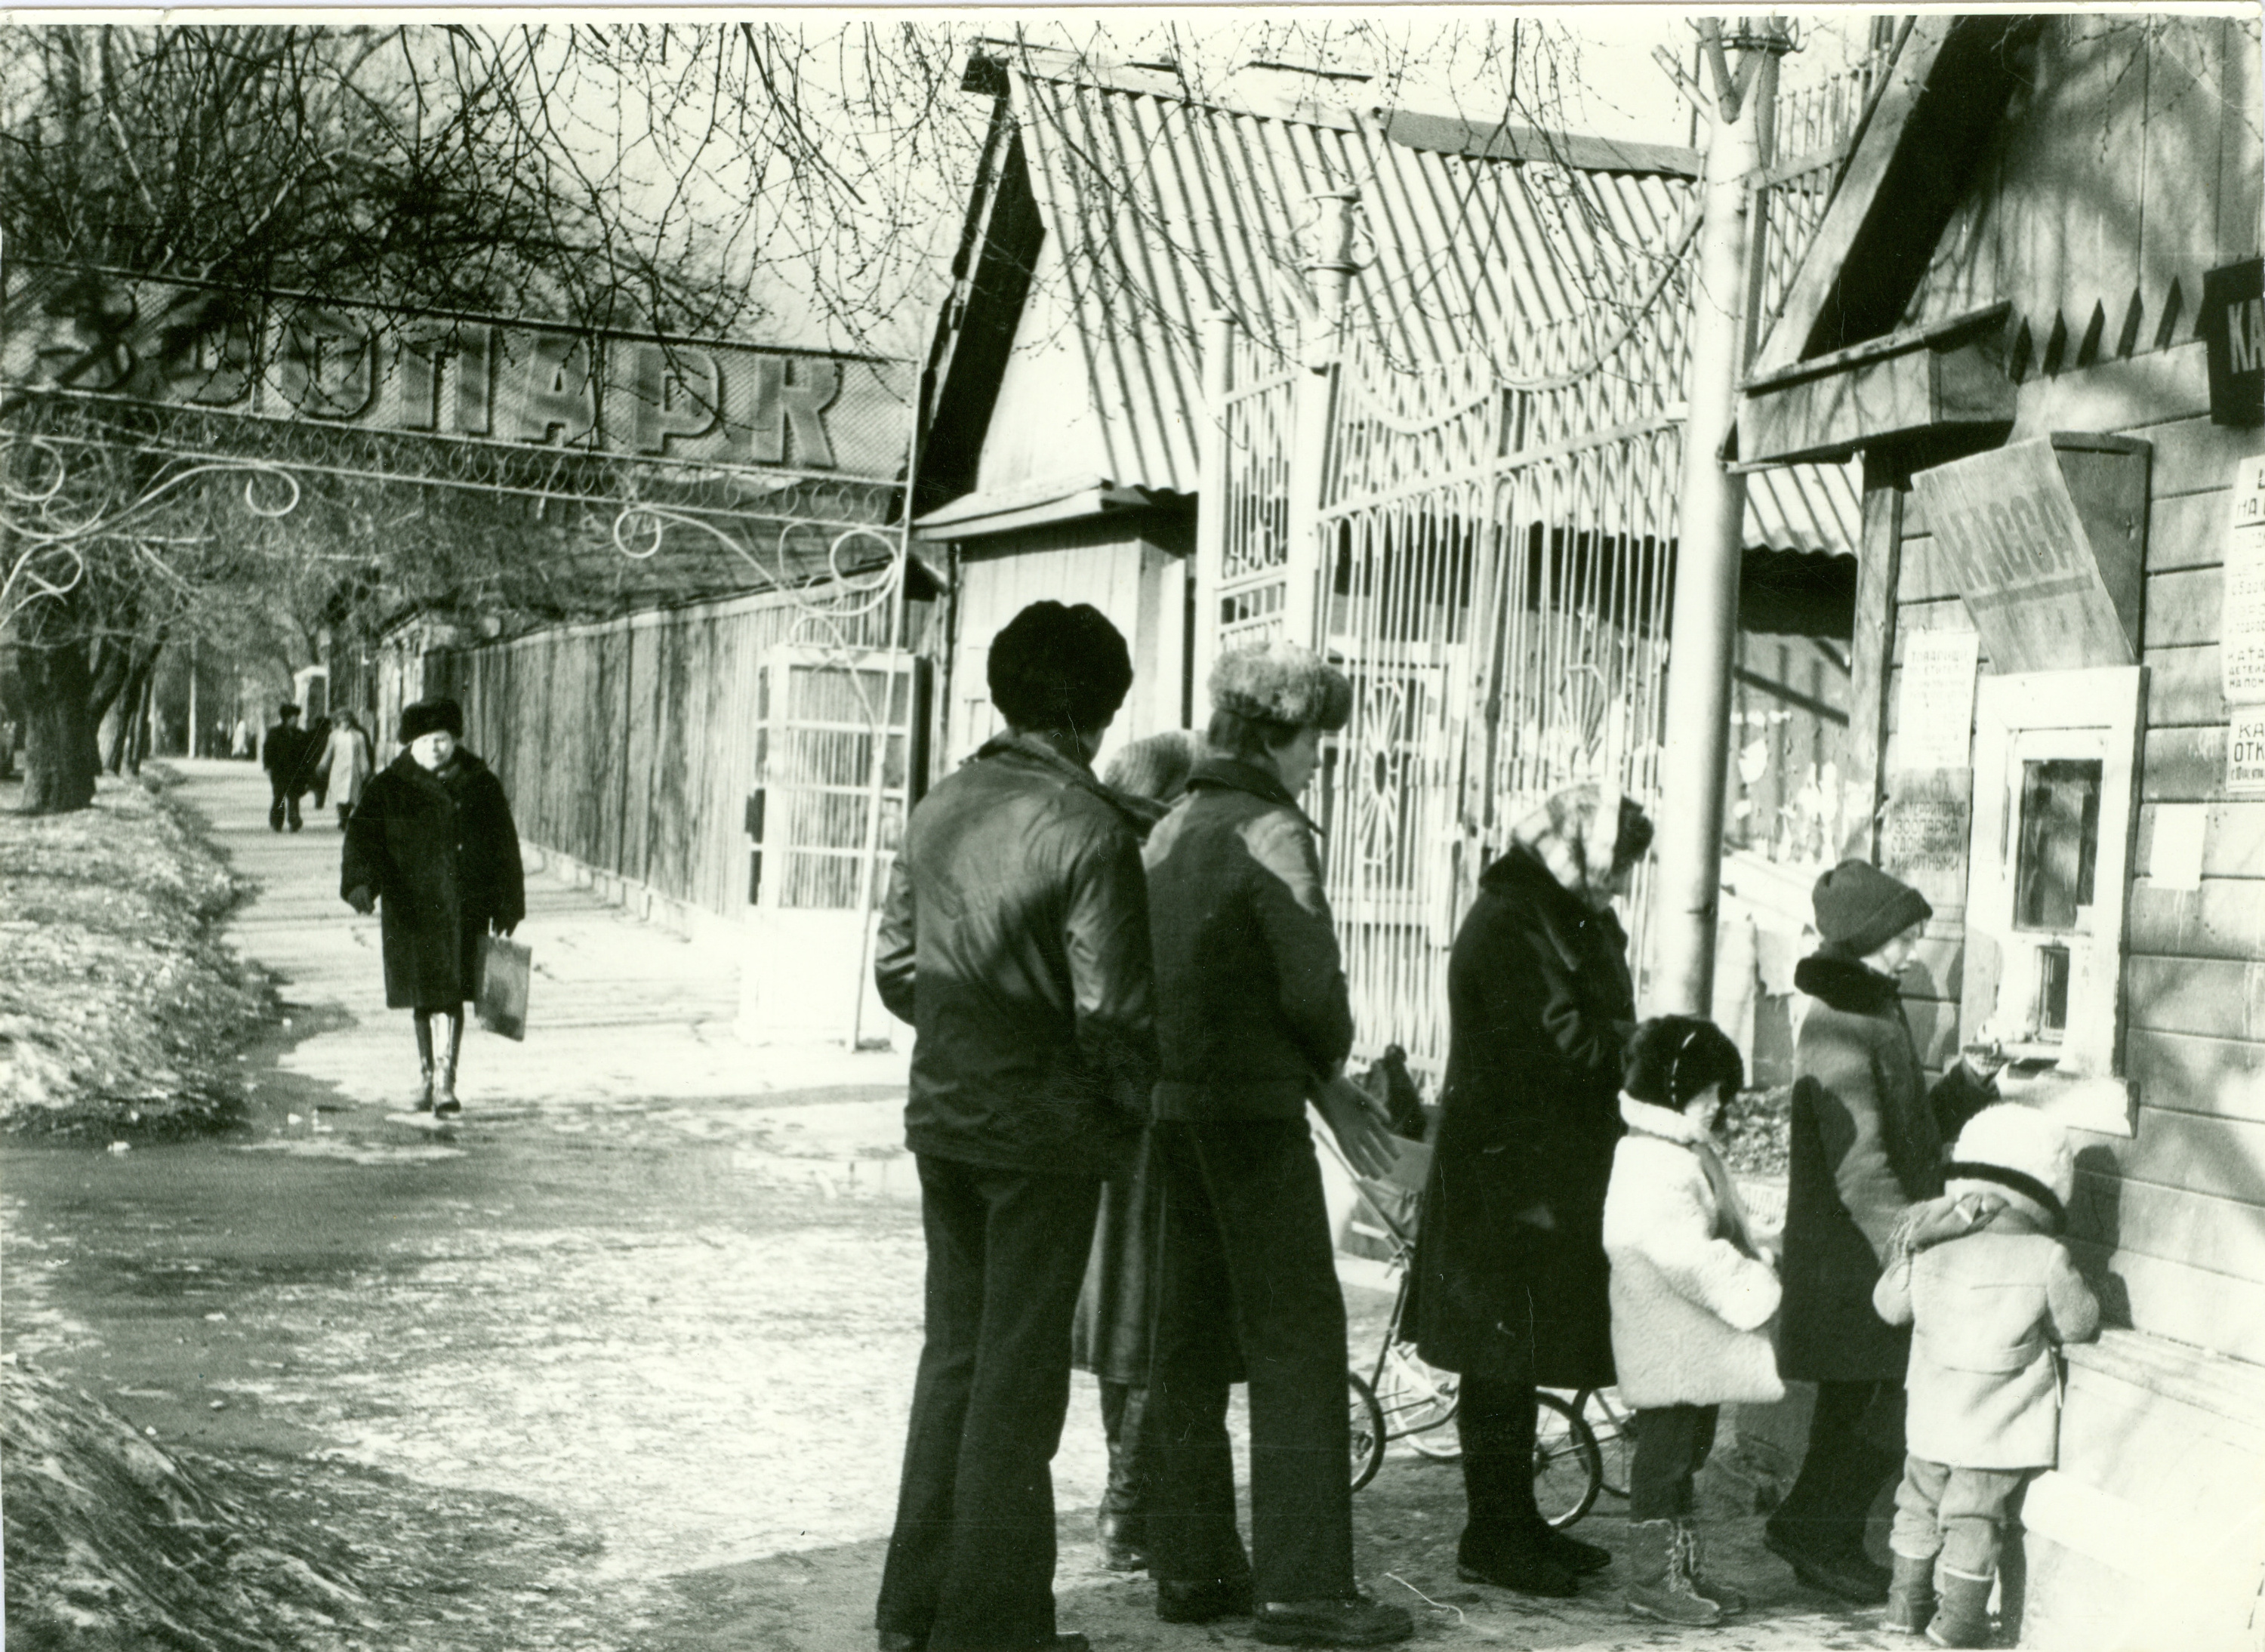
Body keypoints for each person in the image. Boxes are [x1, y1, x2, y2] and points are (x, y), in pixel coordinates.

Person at [871, 602, 1160, 1652]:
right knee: (1018, 1380)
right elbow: (1116, 1016)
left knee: (955, 1360)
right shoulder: (1090, 829)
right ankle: (993, 1633)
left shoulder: (942, 803)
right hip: (1041, 1135)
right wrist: (1123, 1114)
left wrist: (970, 1032)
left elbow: (899, 971)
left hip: (945, 1119)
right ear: (1092, 713)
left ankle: (915, 1617)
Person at [1141, 641, 1413, 1650]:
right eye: (1313, 746)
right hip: (1255, 1115)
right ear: (1273, 735)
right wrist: (1330, 1065)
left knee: (1189, 1343)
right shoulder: (1272, 830)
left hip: (1175, 1115)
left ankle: (1194, 1566)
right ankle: (1305, 1591)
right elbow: (1313, 995)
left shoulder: (1172, 825)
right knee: (1300, 1344)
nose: (1316, 764)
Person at [1409, 781, 1653, 1598]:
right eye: (1616, 865)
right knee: (1499, 1355)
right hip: (1502, 1179)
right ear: (1575, 849)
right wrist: (1645, 1050)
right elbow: (1559, 1042)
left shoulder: (1553, 911)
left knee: (1512, 1355)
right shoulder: (1515, 920)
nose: (1619, 884)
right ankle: (1493, 1535)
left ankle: (1514, 1523)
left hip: (1534, 1169)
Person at [1767, 861, 1998, 1603]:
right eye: (1903, 938)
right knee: (1872, 1406)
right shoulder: (1838, 1021)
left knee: (1857, 1407)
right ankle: (1814, 1530)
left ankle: (1814, 1529)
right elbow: (1860, 1162)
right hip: (1857, 1258)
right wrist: (1913, 1240)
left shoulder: (1872, 1007)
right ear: (1867, 939)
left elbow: (1909, 1129)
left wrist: (1970, 1080)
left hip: (1872, 1252)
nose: (1913, 951)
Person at [1872, 1105, 2099, 1647]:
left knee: (1918, 1504)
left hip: (1930, 1418)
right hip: (1998, 1427)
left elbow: (1889, 1308)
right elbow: (2077, 1324)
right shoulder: (2046, 1255)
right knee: (1974, 1518)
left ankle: (1904, 1608)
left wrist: (1907, 1256)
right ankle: (1962, 1622)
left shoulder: (1934, 1245)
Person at [1603, 1016, 1782, 1627]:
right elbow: (1684, 1253)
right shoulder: (1655, 1160)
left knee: (1687, 1456)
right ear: (1673, 1090)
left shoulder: (1679, 1151)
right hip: (1669, 1341)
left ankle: (1682, 1571)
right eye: (1709, 1092)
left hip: (1687, 1344)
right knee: (1666, 1461)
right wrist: (1752, 1285)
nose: (1719, 1104)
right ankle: (1655, 1580)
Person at [1077, 727, 1204, 1575]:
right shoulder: (1152, 863)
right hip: (1154, 1118)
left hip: (1104, 1122)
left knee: (1125, 1317)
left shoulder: (1104, 846)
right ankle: (1130, 1508)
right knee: (1155, 1318)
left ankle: (1126, 1505)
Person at [340, 697, 525, 1117]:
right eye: (426, 741)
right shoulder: (389, 786)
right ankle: (427, 1075)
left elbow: (504, 846)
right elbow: (362, 839)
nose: (435, 748)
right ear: (411, 744)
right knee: (424, 995)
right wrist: (360, 884)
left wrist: (508, 902)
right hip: (412, 910)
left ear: (454, 739)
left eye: (442, 739)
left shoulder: (480, 784)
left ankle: (446, 1080)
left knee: (454, 994)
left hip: (466, 906)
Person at [319, 712, 375, 831]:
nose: (345, 723)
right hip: (338, 769)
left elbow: (363, 754)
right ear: (338, 722)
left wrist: (365, 768)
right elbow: (328, 752)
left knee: (350, 795)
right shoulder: (334, 736)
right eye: (342, 721)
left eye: (347, 721)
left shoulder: (358, 736)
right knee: (339, 795)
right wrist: (323, 765)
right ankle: (342, 818)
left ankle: (346, 816)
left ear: (351, 722)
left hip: (353, 769)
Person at [262, 701, 311, 831]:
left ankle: (294, 820)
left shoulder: (301, 735)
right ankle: (276, 822)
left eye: (297, 718)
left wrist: (306, 771)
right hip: (279, 771)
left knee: (294, 797)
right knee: (279, 796)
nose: (296, 721)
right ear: (287, 718)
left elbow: (306, 754)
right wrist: (267, 767)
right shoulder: (274, 733)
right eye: (294, 718)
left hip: (295, 771)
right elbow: (267, 750)